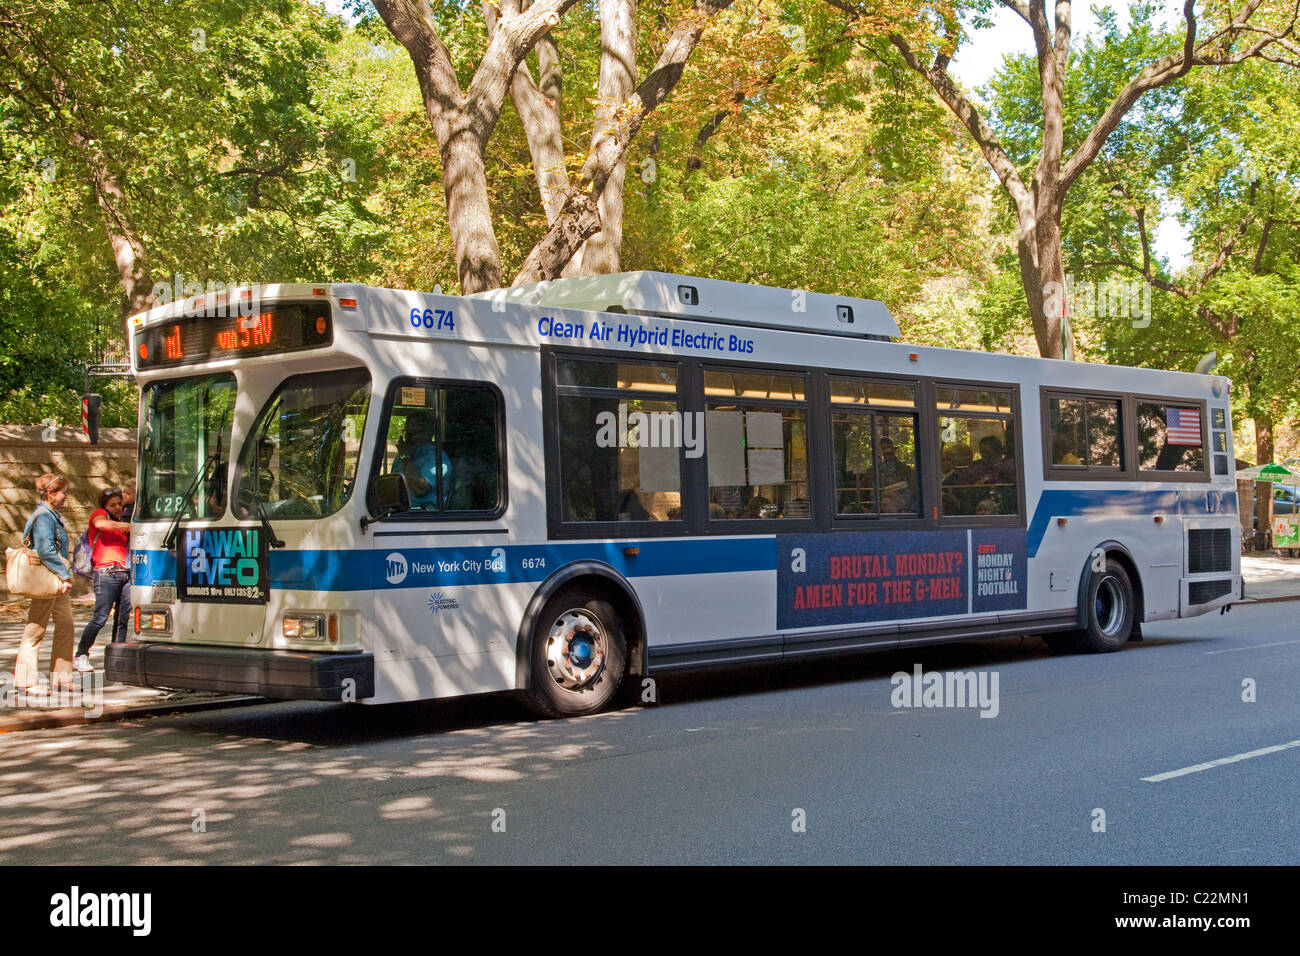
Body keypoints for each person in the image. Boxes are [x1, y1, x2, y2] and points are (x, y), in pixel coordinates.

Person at [15, 474, 75, 695]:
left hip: (54, 580)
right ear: (51, 494)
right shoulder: (44, 516)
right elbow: (45, 550)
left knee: (66, 625)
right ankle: (26, 681)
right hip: (48, 579)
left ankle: (61, 678)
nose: (66, 496)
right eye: (63, 492)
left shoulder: (52, 514)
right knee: (36, 629)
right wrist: (64, 575)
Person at [73, 487, 133, 672]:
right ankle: (81, 655)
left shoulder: (119, 523)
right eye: (112, 505)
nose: (117, 508)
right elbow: (100, 524)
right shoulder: (101, 515)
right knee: (100, 617)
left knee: (122, 618)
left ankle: (118, 657)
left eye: (119, 504)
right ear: (105, 506)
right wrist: (124, 526)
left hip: (124, 573)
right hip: (106, 573)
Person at [392, 413, 449, 510]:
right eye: (406, 431)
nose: (406, 437)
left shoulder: (438, 458)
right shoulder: (405, 453)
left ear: (426, 434)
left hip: (423, 515)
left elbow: (419, 488)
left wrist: (405, 458)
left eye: (411, 433)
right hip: (399, 510)